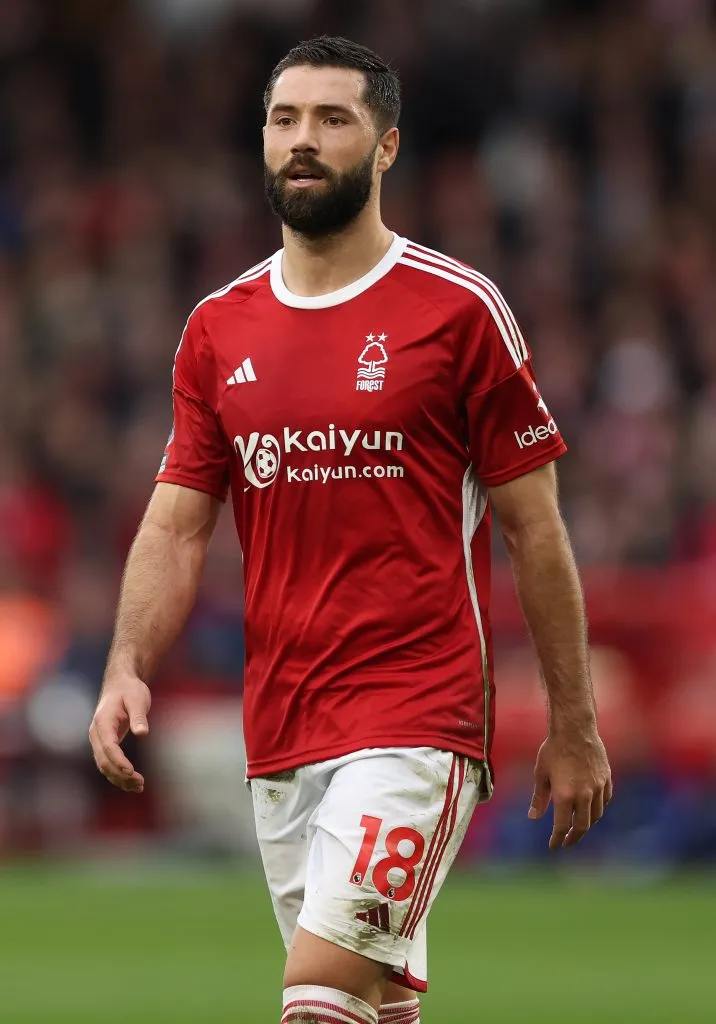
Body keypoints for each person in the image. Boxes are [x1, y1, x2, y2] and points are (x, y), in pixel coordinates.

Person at [89, 35, 612, 1024]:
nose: (303, 139)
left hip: (416, 718)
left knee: (318, 994)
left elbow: (534, 531)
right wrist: (127, 666)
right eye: (284, 119)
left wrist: (573, 722)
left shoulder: (459, 311)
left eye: (333, 119)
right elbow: (177, 523)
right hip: (281, 727)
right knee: (372, 1006)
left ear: (385, 147)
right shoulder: (217, 328)